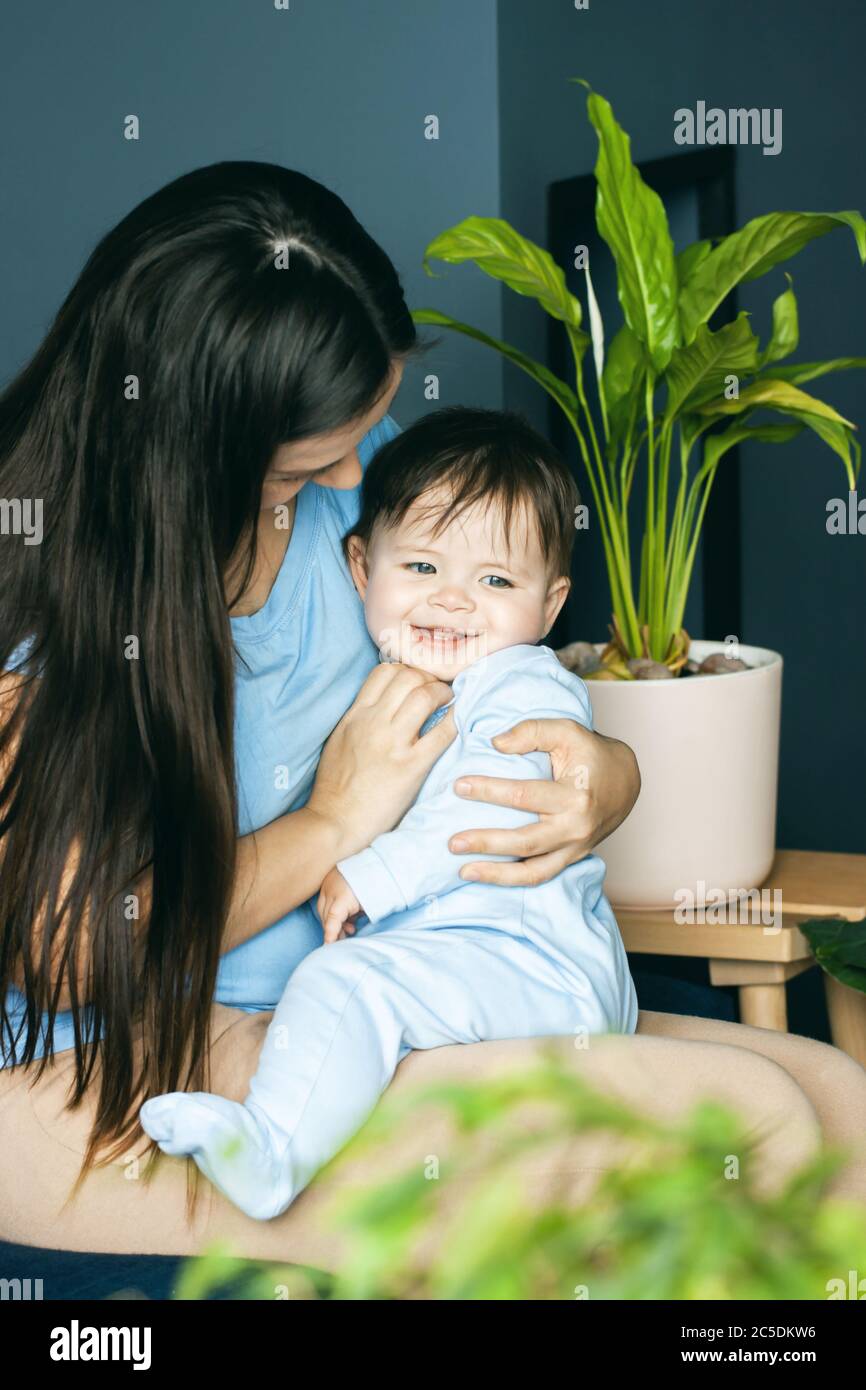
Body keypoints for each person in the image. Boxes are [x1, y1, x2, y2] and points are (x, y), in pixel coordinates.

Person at [138, 408, 640, 1219]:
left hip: (528, 968)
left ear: (551, 609)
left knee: (344, 981)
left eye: (497, 582)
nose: (453, 602)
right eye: (421, 568)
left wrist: (370, 874)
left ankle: (269, 1155)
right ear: (360, 568)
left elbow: (492, 802)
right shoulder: (412, 673)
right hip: (487, 974)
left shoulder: (518, 683)